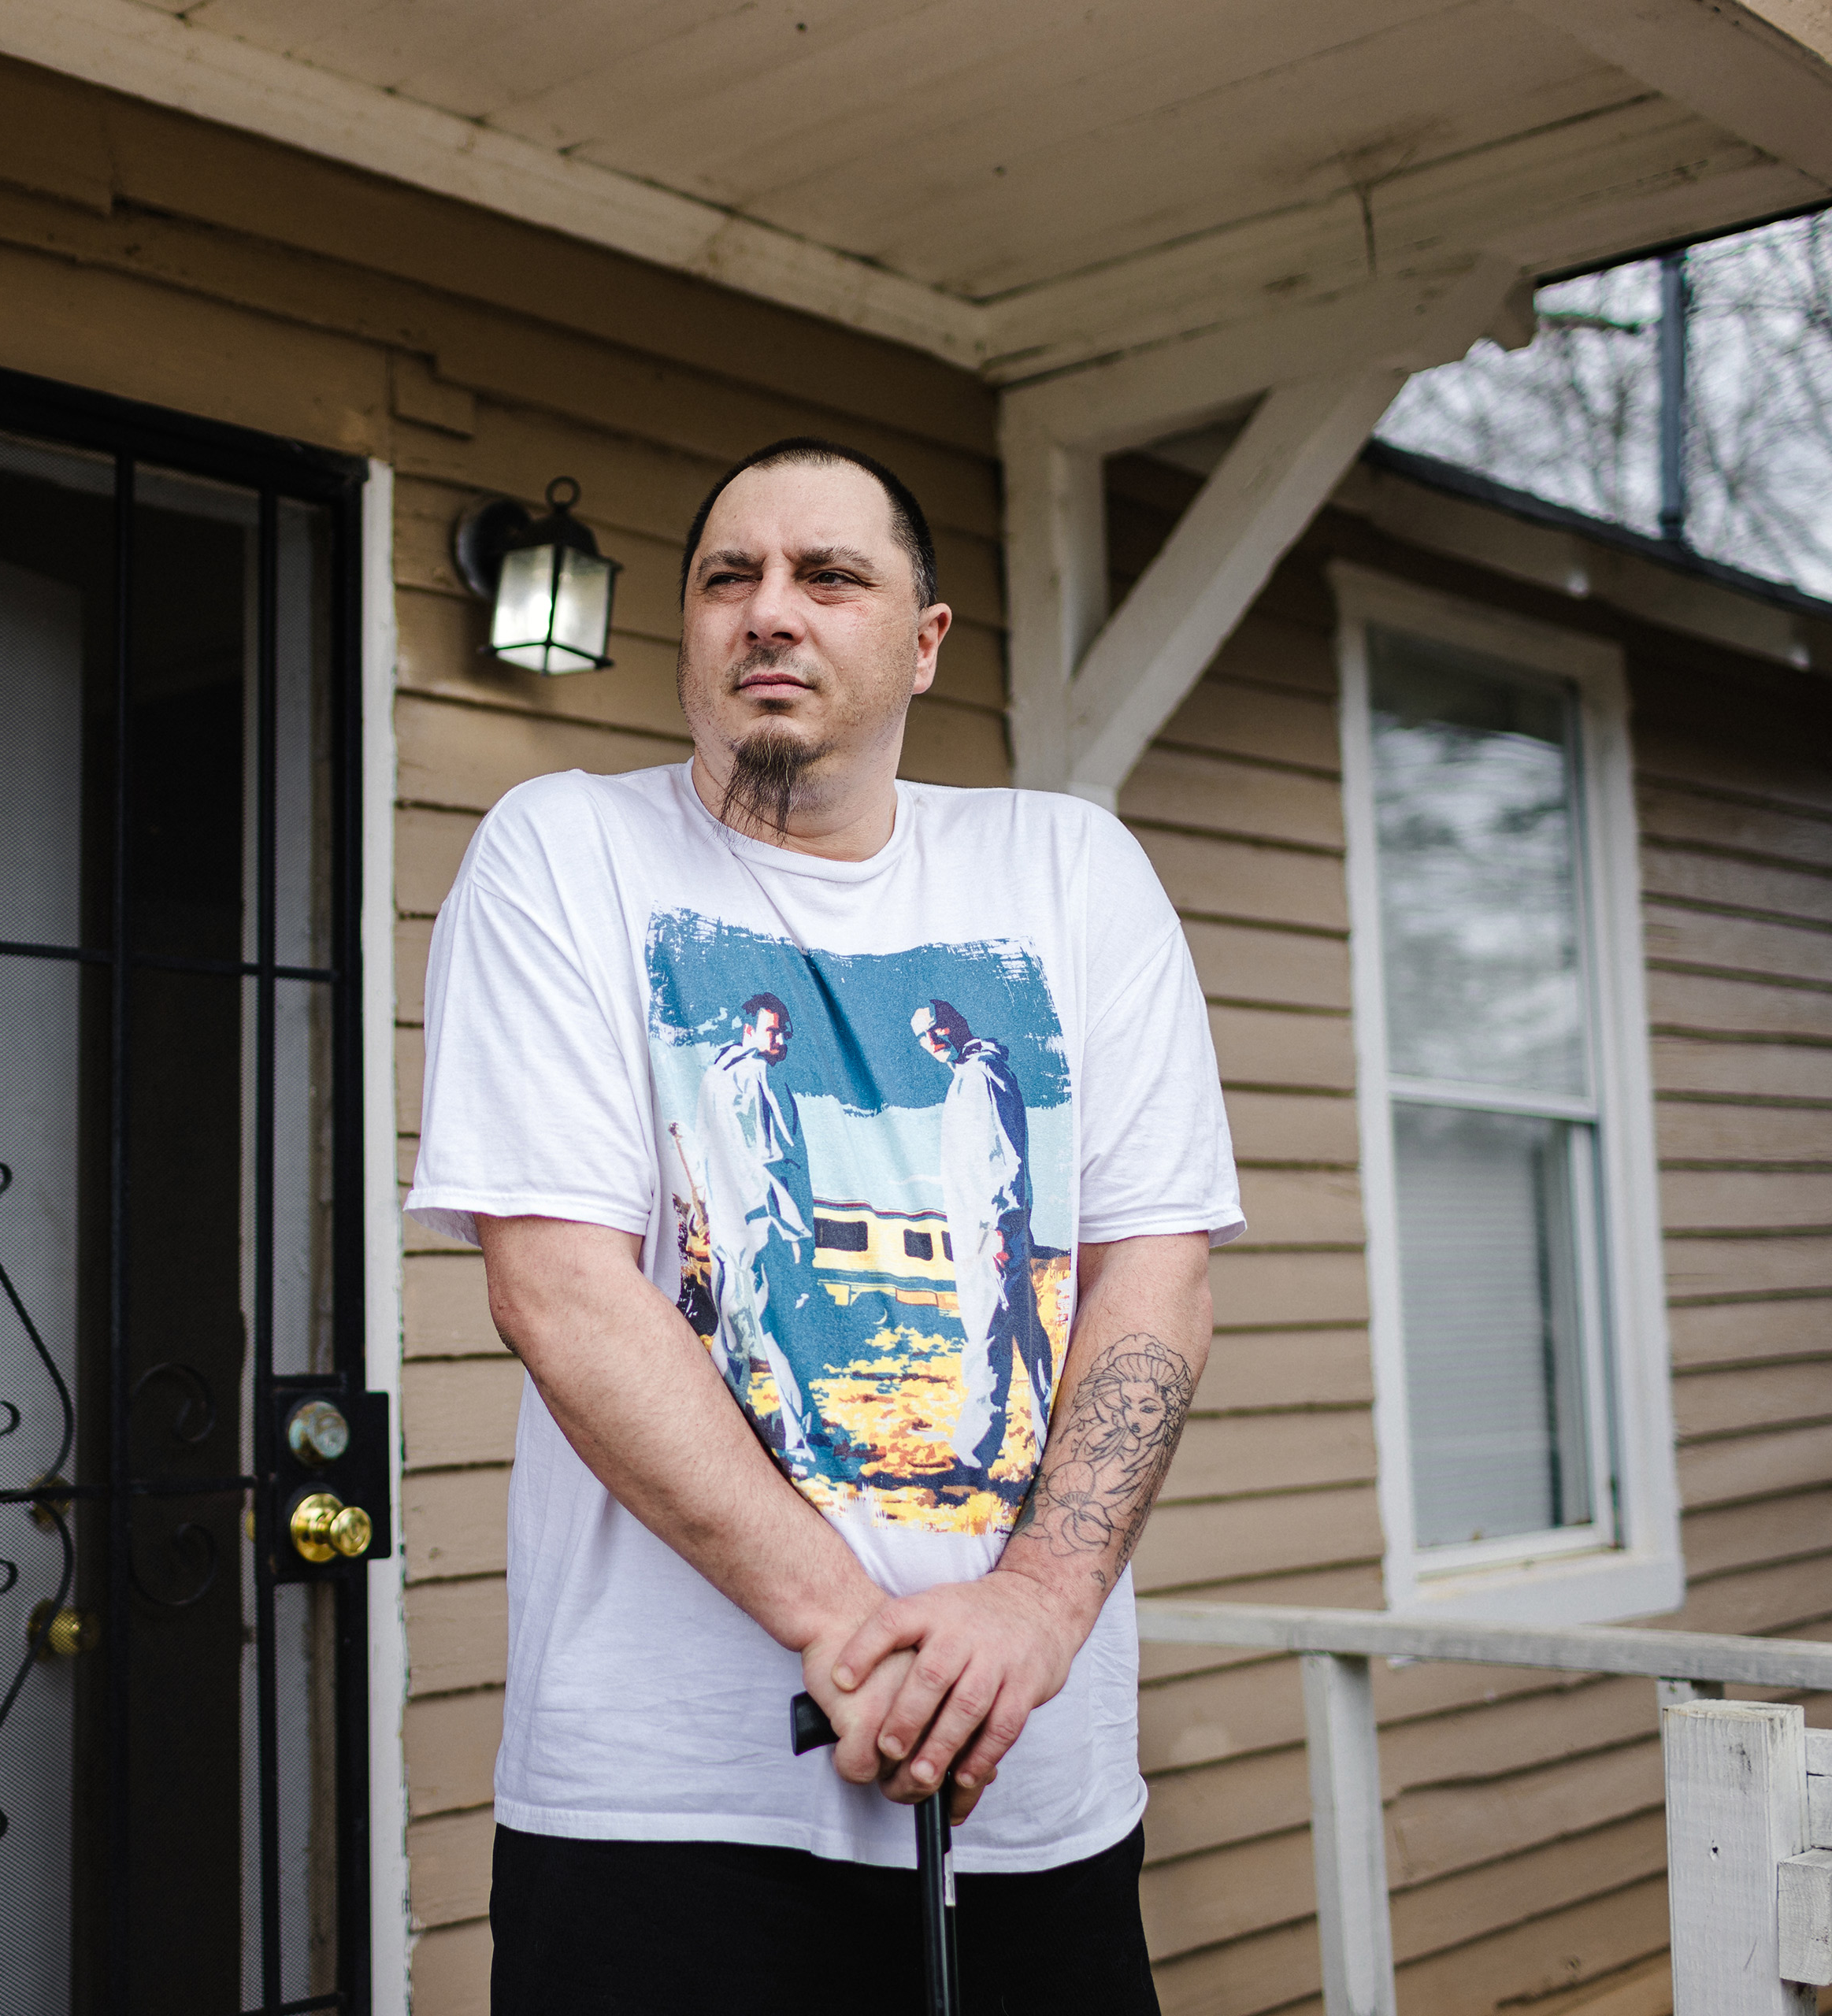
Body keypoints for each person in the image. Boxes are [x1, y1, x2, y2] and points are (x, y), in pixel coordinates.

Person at [406, 436, 1240, 2014]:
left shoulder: (1069, 872)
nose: (770, 610)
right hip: (663, 1804)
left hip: (1029, 1777)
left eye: (829, 574)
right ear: (691, 636)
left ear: (924, 639)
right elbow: (561, 1288)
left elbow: (1156, 1270)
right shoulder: (567, 851)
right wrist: (861, 1633)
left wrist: (1037, 1608)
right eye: (730, 577)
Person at [914, 998, 1046, 1466]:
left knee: (987, 1335)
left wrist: (1003, 1229)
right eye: (921, 1038)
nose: (930, 1043)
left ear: (954, 1023)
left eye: (935, 1030)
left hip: (991, 1232)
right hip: (985, 1230)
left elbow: (1004, 1157)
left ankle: (973, 1454)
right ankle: (1050, 1430)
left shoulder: (980, 1076)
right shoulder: (972, 1077)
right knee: (1026, 1334)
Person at [693, 990, 820, 1458]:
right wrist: (793, 1231)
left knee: (737, 1330)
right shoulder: (755, 1076)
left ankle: (758, 1431)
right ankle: (800, 1436)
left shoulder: (713, 1076)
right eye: (773, 1029)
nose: (782, 1038)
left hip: (728, 1224)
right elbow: (777, 1159)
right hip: (760, 1224)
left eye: (785, 1029)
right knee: (773, 1329)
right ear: (748, 1029)